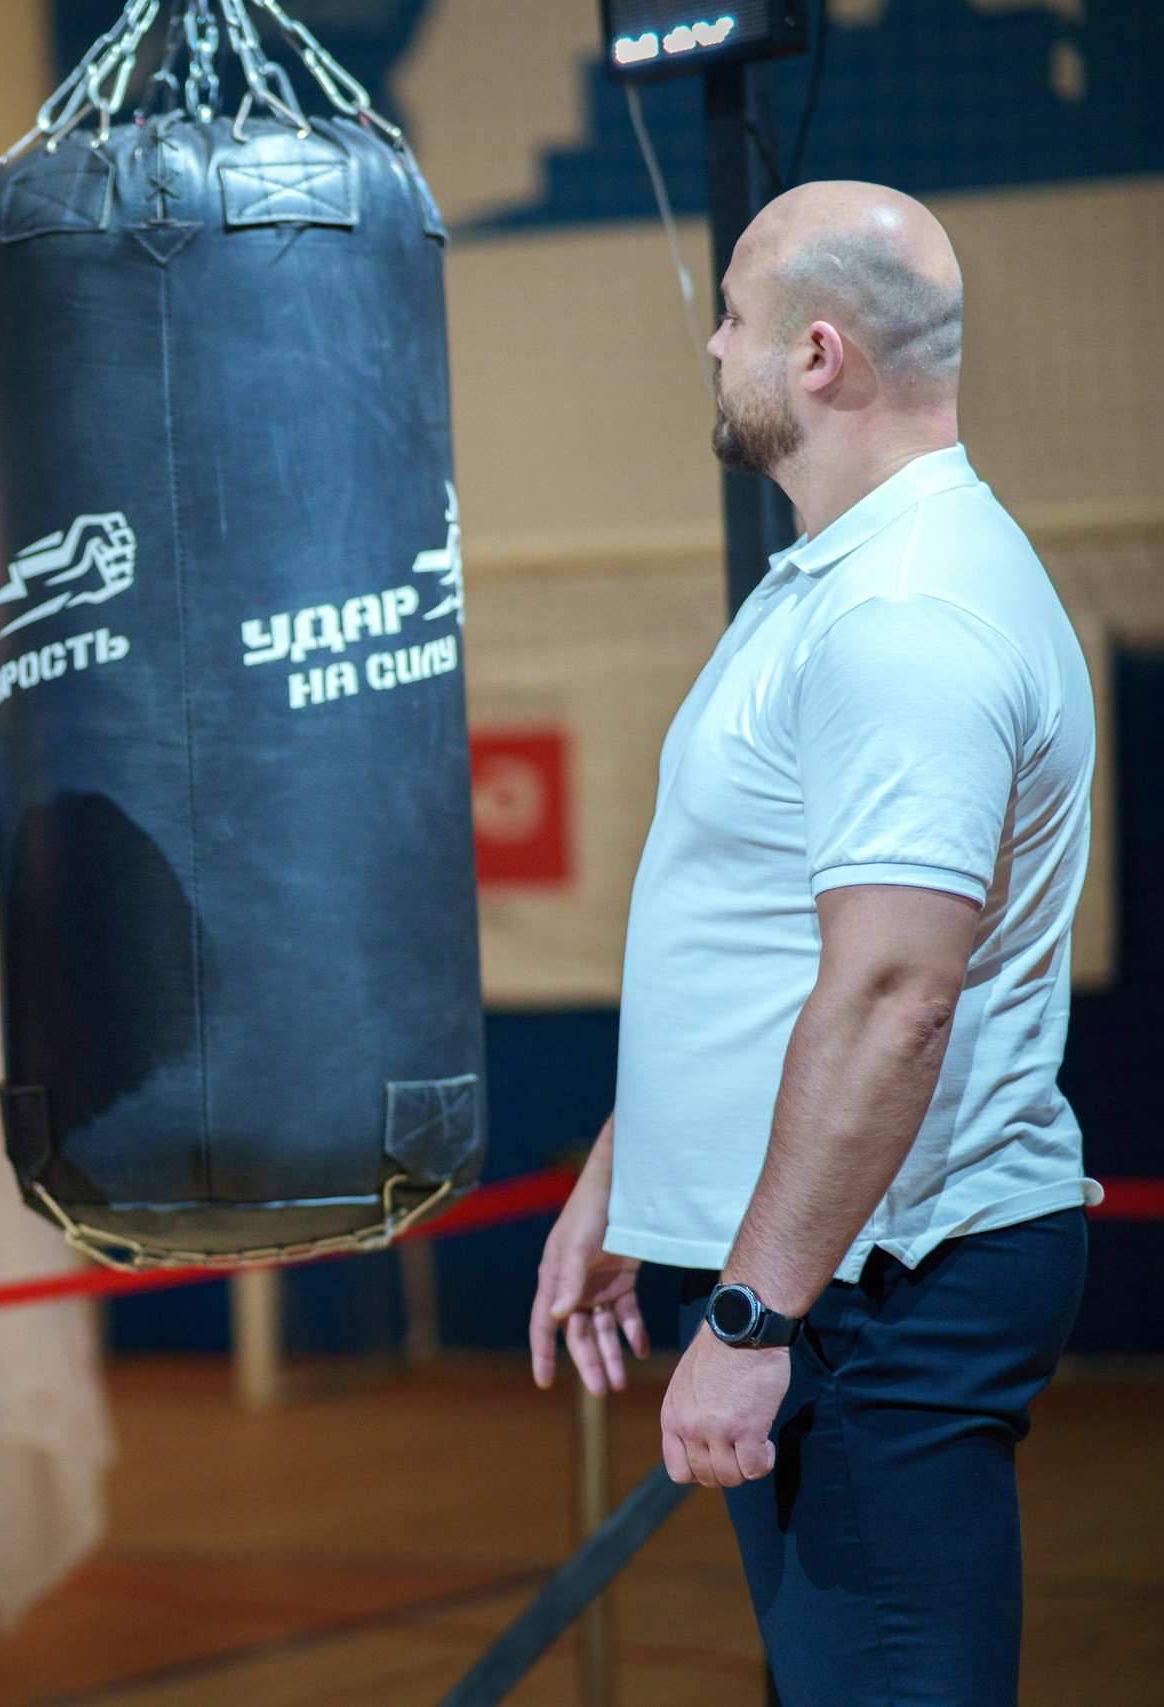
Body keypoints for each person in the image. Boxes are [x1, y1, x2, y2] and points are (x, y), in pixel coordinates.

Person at [529, 182, 1098, 1703]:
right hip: (836, 1275)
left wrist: (749, 1312)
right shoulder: (834, 582)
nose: (713, 344)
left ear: (821, 354)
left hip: (877, 1290)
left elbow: (895, 995)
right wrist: (627, 1179)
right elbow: (767, 942)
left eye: (732, 315)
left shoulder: (906, 617)